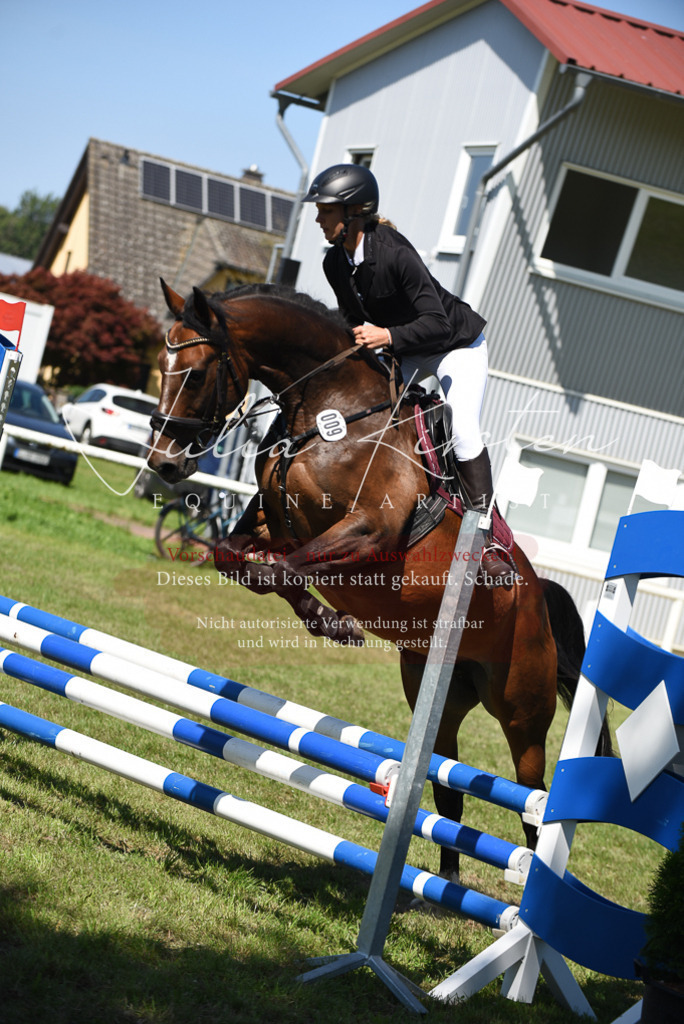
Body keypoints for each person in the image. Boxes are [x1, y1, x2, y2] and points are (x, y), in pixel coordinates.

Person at [301, 162, 511, 585]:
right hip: (406, 348)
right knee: (372, 415)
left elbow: (437, 321)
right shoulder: (335, 263)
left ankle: (487, 540)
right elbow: (353, 322)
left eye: (325, 210)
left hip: (455, 345)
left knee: (463, 429)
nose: (318, 218)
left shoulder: (394, 252)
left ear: (352, 213)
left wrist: (388, 335)